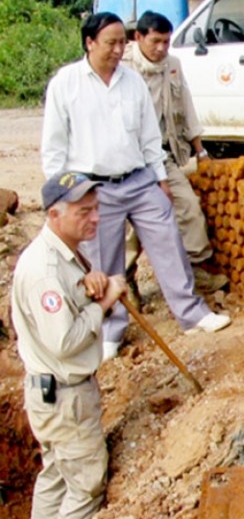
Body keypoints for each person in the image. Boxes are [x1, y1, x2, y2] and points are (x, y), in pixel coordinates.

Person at [40, 12, 230, 361]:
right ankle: (112, 328)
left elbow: (149, 137)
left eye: (120, 43)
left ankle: (191, 313)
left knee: (168, 241)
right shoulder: (66, 84)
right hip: (94, 188)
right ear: (89, 43)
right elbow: (54, 149)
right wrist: (66, 194)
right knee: (106, 260)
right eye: (110, 43)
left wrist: (160, 178)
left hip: (139, 179)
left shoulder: (132, 82)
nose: (117, 50)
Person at [11, 172, 127, 518]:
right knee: (86, 488)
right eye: (84, 212)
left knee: (57, 477)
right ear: (54, 215)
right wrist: (104, 304)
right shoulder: (45, 270)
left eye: (96, 208)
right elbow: (65, 342)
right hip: (66, 399)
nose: (95, 218)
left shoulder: (61, 252)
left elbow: (68, 306)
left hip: (51, 396)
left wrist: (91, 285)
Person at [122, 10, 227, 296]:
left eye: (166, 42)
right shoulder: (123, 68)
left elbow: (187, 107)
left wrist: (199, 150)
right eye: (155, 41)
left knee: (189, 208)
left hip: (161, 154)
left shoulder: (172, 65)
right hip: (128, 159)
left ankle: (195, 269)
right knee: (134, 222)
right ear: (138, 38)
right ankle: (124, 279)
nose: (161, 48)